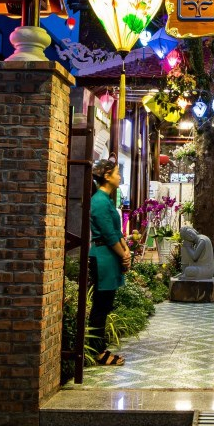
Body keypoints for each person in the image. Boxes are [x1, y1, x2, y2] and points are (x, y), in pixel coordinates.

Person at [88, 157, 131, 366]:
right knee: (100, 305)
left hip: (110, 256)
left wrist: (126, 250)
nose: (119, 176)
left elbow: (116, 231)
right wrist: (123, 254)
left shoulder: (106, 200)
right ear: (106, 176)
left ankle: (99, 348)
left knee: (105, 304)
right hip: (103, 256)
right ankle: (97, 351)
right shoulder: (98, 201)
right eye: (117, 173)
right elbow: (108, 234)